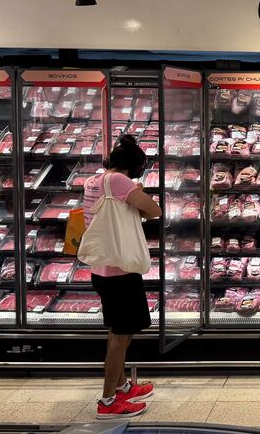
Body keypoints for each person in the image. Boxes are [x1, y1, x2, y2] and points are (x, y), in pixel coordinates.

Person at [83, 135, 161, 420]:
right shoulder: (120, 182)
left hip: (102, 268)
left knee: (119, 332)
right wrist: (138, 190)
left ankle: (122, 386)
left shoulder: (94, 181)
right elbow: (154, 210)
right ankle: (107, 401)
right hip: (120, 271)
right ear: (134, 166)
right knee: (120, 337)